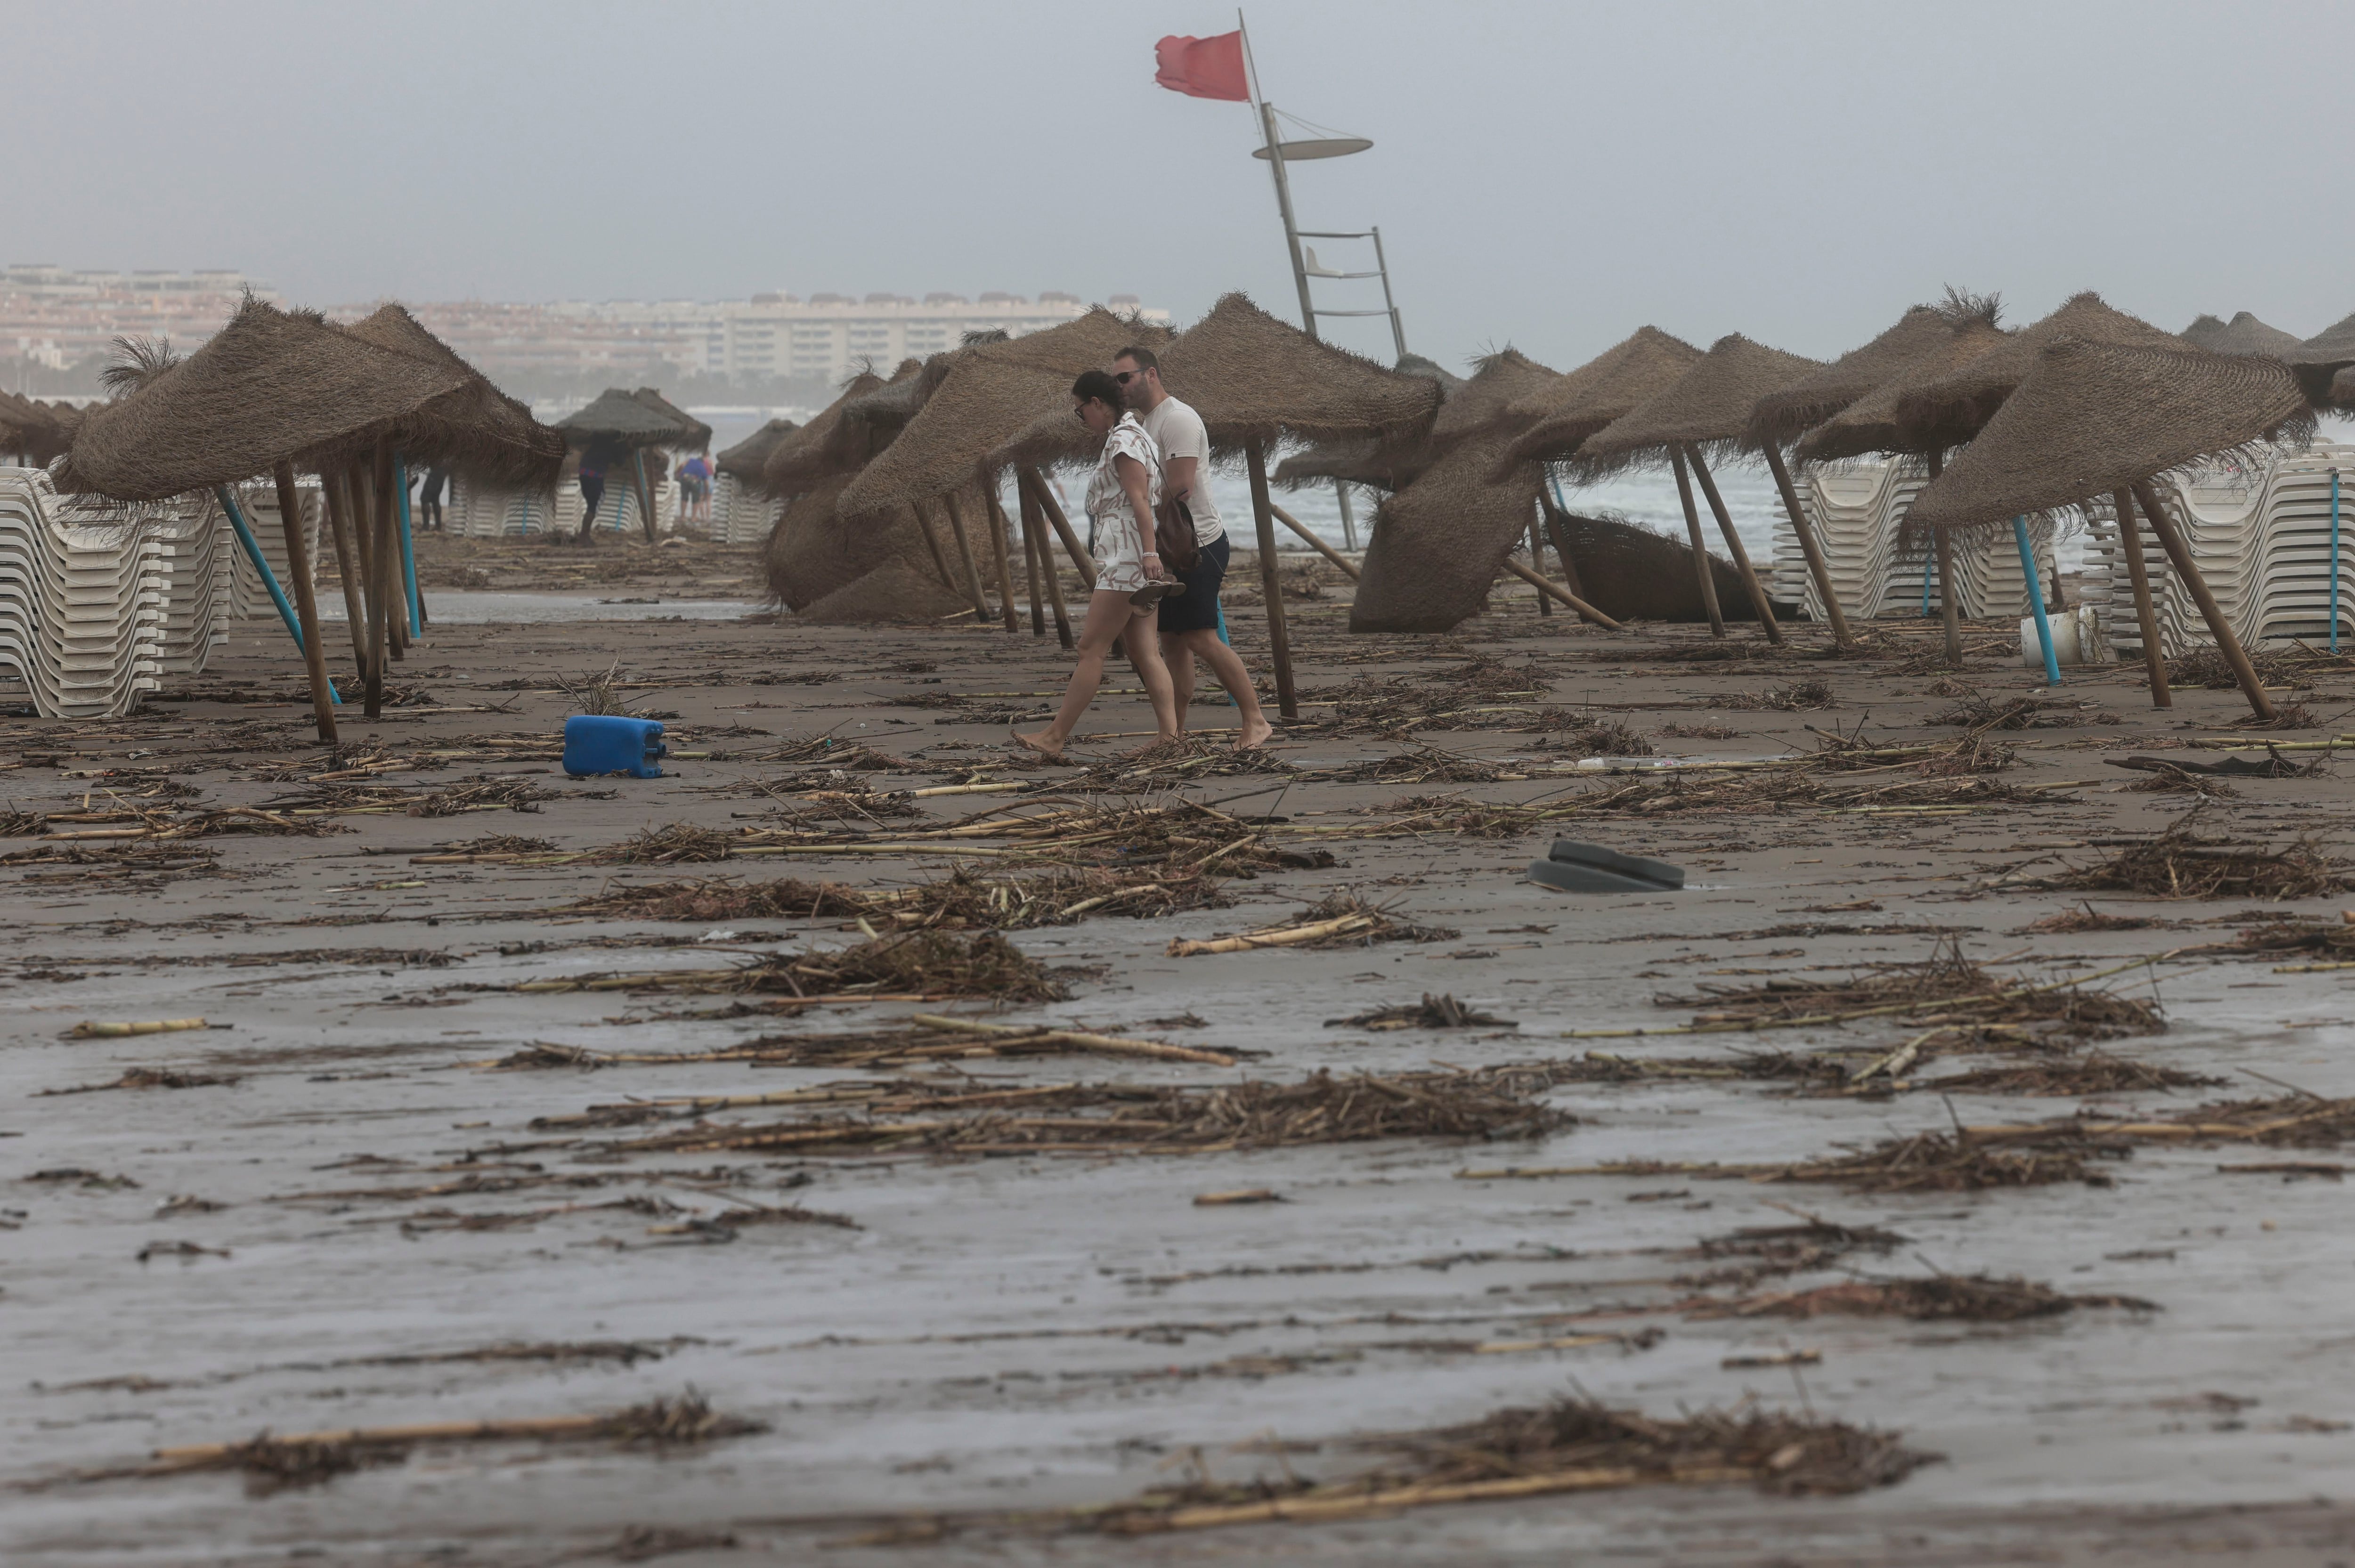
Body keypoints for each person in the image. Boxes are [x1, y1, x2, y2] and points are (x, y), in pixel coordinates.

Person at [1014, 370, 1182, 760]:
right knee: (1145, 651)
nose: (1081, 420)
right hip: (1133, 555)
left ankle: (1055, 736)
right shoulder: (1136, 433)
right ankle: (1171, 737)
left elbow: (1140, 500)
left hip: (1127, 558)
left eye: (1080, 412)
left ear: (1096, 404)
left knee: (1091, 648)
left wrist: (1149, 554)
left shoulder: (1123, 440)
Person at [1114, 344, 1274, 749]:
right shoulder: (1145, 422)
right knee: (1171, 642)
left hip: (1196, 544)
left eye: (1125, 377)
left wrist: (1143, 516)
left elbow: (1181, 486)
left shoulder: (1179, 419)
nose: (1121, 386)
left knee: (1202, 637)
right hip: (1169, 548)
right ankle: (1174, 734)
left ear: (1151, 375)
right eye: (1116, 380)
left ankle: (1256, 721)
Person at [575, 442, 613, 542]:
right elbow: (620, 461)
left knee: (590, 504)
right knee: (593, 506)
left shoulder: (597, 439)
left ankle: (584, 534)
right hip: (595, 476)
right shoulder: (615, 445)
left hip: (583, 473)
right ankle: (584, 535)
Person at [417, 463, 449, 531]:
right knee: (435, 499)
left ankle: (426, 526)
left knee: (425, 499)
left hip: (437, 470)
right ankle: (438, 526)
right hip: (442, 472)